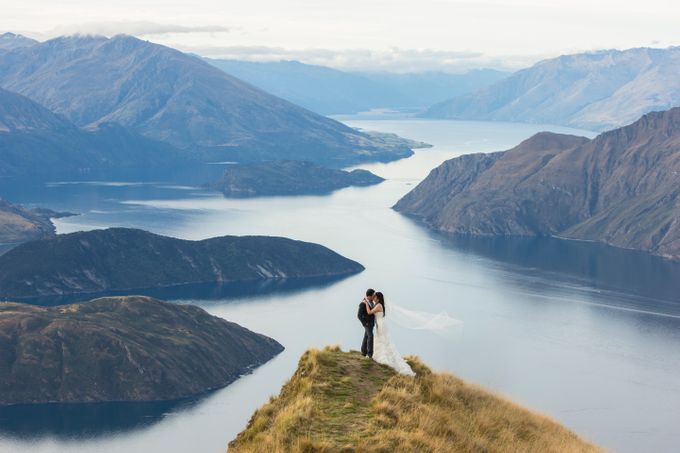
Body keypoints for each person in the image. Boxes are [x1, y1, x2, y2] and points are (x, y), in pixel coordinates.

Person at [363, 291, 415, 376]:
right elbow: (372, 306)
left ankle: (384, 358)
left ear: (378, 298)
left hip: (381, 325)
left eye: (375, 297)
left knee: (382, 340)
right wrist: (369, 301)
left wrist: (365, 303)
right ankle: (376, 354)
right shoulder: (378, 304)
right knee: (382, 340)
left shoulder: (379, 305)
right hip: (380, 324)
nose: (373, 298)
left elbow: (369, 312)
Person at [357, 288, 376, 358]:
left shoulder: (371, 302)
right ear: (369, 296)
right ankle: (370, 354)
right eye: (373, 295)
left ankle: (363, 351)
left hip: (371, 323)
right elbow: (359, 316)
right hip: (367, 324)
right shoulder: (362, 304)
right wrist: (365, 323)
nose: (374, 296)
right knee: (371, 336)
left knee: (366, 336)